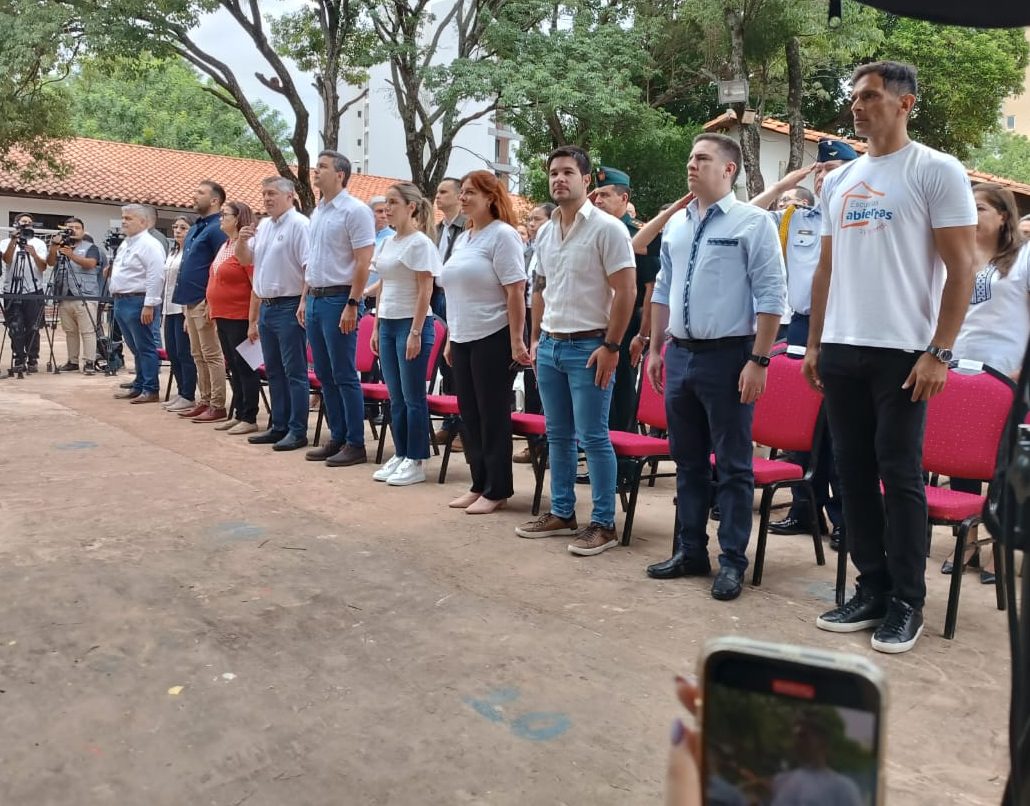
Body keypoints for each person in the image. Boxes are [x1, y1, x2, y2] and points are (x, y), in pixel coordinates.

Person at [804, 61, 977, 654]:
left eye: (871, 96)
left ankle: (907, 601)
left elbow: (962, 269)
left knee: (898, 474)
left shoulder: (936, 171)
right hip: (844, 348)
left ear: (905, 104)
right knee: (850, 473)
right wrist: (816, 344)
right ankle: (871, 587)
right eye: (854, 96)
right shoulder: (841, 180)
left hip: (905, 351)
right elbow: (825, 269)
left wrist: (940, 352)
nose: (857, 105)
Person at [644, 133, 786, 601]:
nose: (691, 164)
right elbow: (662, 289)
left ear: (729, 169)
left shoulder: (753, 223)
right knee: (686, 461)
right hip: (680, 354)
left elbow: (771, 297)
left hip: (730, 356)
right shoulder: (679, 225)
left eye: (702, 158)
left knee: (732, 464)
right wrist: (656, 349)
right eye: (690, 157)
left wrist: (759, 360)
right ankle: (690, 550)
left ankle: (732, 562)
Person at [514, 145, 636, 557]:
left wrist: (612, 346)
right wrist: (534, 338)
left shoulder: (607, 229)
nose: (558, 179)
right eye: (553, 173)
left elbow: (627, 291)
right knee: (558, 434)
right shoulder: (547, 231)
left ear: (587, 181)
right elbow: (541, 288)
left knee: (594, 436)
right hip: (550, 345)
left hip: (591, 346)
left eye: (568, 172)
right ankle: (562, 512)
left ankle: (604, 523)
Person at [748, 139, 860, 551]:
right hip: (799, 328)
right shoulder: (795, 216)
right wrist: (788, 183)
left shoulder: (861, 220)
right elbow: (749, 213)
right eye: (822, 170)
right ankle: (804, 509)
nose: (825, 176)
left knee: (841, 431)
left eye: (835, 169)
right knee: (801, 426)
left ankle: (847, 520)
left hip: (842, 329)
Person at [944, 182, 1030, 583]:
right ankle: (969, 540)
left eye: (980, 208)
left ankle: (998, 547)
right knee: (961, 459)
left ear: (1003, 217)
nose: (972, 214)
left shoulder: (1024, 258)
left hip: (1007, 375)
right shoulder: (955, 259)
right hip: (960, 374)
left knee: (1002, 463)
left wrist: (1023, 369)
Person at [440, 170, 530, 514]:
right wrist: (450, 337)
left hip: (493, 336)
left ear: (491, 198)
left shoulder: (503, 235)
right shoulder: (464, 238)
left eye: (470, 193)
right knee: (469, 414)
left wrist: (515, 339)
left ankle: (497, 488)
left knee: (492, 415)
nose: (463, 198)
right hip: (461, 336)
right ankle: (478, 483)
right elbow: (457, 293)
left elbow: (515, 290)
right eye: (461, 192)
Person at [300, 150, 376, 467]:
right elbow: (312, 262)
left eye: (322, 167)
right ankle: (338, 436)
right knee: (325, 374)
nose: (315, 171)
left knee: (344, 374)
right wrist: (304, 298)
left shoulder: (355, 211)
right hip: (316, 298)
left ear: (340, 174)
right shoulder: (317, 211)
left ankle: (356, 443)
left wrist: (353, 303)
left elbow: (362, 262)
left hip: (339, 298)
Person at [369, 182, 441, 486]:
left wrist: (415, 331)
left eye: (394, 202)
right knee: (395, 396)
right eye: (386, 202)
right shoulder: (387, 243)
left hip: (411, 324)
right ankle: (400, 453)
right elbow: (384, 284)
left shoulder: (420, 243)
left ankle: (416, 458)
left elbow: (427, 288)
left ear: (411, 207)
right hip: (387, 322)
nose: (388, 207)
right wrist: (375, 325)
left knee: (413, 397)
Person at [237, 177, 311, 451]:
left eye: (272, 194)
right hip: (267, 305)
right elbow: (247, 260)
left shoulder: (300, 225)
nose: (267, 199)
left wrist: (303, 302)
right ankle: (278, 425)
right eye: (264, 194)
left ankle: (297, 429)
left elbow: (308, 269)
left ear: (289, 196)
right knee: (274, 372)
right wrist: (242, 242)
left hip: (290, 304)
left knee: (294, 371)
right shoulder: (265, 226)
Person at [591, 166, 661, 432]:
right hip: (596, 323)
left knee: (619, 392)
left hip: (627, 324)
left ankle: (624, 465)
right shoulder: (594, 231)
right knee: (598, 394)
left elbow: (651, 289)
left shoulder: (636, 236)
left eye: (605, 195)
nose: (598, 201)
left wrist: (642, 336)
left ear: (624, 199)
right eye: (596, 195)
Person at [174, 181, 229, 423]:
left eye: (200, 193)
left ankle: (217, 404)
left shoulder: (217, 228)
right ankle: (204, 399)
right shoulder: (198, 227)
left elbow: (221, 266)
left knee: (211, 353)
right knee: (197, 353)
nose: (194, 196)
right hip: (190, 300)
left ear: (215, 200)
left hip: (205, 299)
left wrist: (212, 300)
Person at [207, 201, 261, 436]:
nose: (220, 218)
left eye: (224, 215)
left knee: (245, 367)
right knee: (233, 367)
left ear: (238, 218)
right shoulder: (225, 245)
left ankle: (249, 416)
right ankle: (238, 412)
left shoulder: (246, 246)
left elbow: (255, 285)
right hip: (223, 315)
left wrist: (253, 321)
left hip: (240, 316)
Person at [110, 204, 166, 404]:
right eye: (123, 217)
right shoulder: (127, 243)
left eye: (129, 218)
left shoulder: (149, 244)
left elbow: (156, 275)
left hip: (138, 300)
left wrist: (150, 304)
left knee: (145, 346)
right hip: (121, 299)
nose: (124, 221)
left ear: (142, 222)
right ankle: (140, 384)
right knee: (134, 346)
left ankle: (151, 388)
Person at [513, 202, 555, 465]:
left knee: (548, 388)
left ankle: (548, 445)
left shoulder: (554, 248)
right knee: (531, 382)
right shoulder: (531, 252)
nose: (531, 224)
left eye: (537, 220)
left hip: (550, 318)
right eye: (529, 220)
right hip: (529, 316)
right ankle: (534, 445)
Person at [433, 177, 467, 450]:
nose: (438, 196)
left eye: (444, 191)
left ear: (459, 197)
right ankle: (449, 423)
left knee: (460, 367)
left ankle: (464, 430)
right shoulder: (439, 228)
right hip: (439, 298)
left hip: (457, 298)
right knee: (446, 367)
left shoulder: (466, 227)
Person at [48, 217, 102, 376]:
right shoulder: (60, 247)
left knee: (88, 331)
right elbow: (51, 263)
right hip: (65, 295)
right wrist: (53, 247)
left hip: (85, 295)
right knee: (70, 331)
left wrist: (71, 255)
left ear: (83, 231)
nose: (72, 230)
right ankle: (72, 361)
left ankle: (89, 362)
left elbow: (91, 264)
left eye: (76, 227)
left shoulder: (91, 247)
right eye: (69, 227)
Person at [160, 216, 198, 412]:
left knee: (185, 353)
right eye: (175, 227)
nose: (177, 231)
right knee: (173, 352)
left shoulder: (191, 254)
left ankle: (189, 394)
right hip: (168, 307)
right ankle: (181, 390)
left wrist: (187, 312)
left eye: (183, 227)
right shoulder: (173, 251)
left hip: (182, 308)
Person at [3, 214, 48, 374]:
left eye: (29, 223)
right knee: (15, 326)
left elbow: (43, 267)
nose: (26, 225)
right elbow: (7, 260)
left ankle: (32, 358)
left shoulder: (39, 243)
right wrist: (13, 243)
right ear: (16, 225)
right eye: (23, 223)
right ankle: (18, 357)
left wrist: (34, 254)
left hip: (33, 290)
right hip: (12, 290)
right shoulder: (6, 242)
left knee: (33, 326)